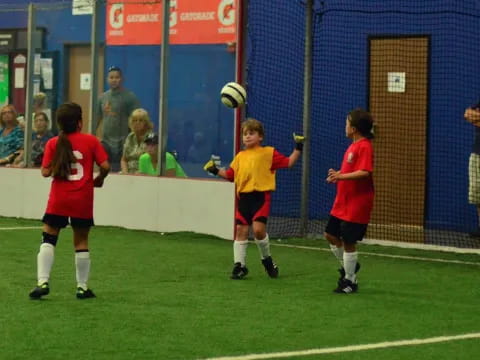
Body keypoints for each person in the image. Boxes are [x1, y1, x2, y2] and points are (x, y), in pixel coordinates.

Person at [203, 118, 304, 279]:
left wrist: (299, 146)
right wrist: (214, 170)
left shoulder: (268, 153)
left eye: (252, 133)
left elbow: (289, 162)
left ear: (260, 137)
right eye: (245, 134)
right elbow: (230, 175)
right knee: (240, 231)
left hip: (260, 197)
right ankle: (240, 266)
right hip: (243, 198)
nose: (247, 137)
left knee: (258, 231)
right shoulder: (240, 156)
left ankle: (267, 260)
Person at [29, 102, 110, 300]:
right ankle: (82, 287)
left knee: (49, 237)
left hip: (59, 199)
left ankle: (42, 281)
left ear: (59, 124)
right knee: (81, 240)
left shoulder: (53, 143)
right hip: (82, 199)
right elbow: (105, 165)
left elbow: (45, 172)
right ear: (80, 123)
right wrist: (99, 179)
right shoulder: (91, 141)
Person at [324, 108, 374, 294]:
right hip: (342, 202)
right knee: (330, 234)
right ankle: (349, 267)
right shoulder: (352, 146)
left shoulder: (365, 146)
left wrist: (341, 176)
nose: (344, 127)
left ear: (353, 128)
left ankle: (350, 281)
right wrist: (337, 177)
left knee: (348, 240)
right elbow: (350, 172)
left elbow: (364, 172)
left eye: (347, 123)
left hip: (357, 203)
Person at [96, 66, 140, 172]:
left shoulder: (130, 97)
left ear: (122, 79)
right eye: (111, 77)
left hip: (124, 142)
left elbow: (137, 119)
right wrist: (91, 136)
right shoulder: (102, 98)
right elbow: (96, 119)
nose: (114, 80)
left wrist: (136, 139)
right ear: (107, 79)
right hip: (106, 142)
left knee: (122, 171)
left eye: (117, 77)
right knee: (105, 171)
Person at [464, 100, 480, 237]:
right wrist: (475, 118)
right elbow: (467, 114)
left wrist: (477, 118)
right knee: (477, 195)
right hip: (477, 154)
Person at [120, 108, 154, 174]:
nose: (137, 123)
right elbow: (124, 160)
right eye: (134, 120)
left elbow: (153, 161)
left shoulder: (151, 137)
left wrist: (139, 174)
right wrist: (125, 173)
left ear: (146, 123)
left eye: (140, 120)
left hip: (145, 174)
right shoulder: (130, 137)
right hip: (129, 173)